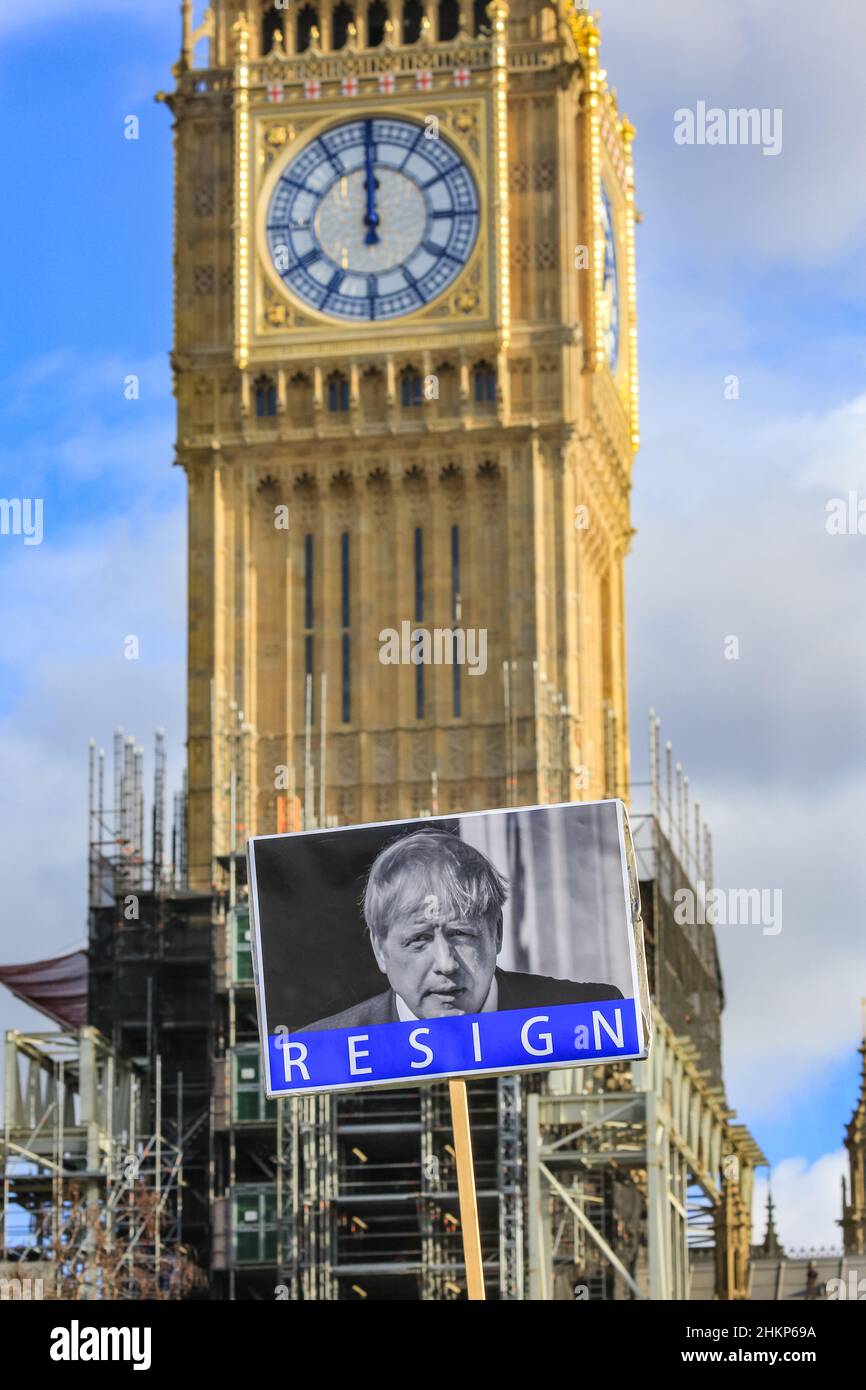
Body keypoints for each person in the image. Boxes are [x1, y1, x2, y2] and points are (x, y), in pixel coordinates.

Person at [302, 829, 622, 1030]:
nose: (445, 964)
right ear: (380, 950)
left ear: (496, 932)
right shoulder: (322, 1046)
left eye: (460, 934)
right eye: (419, 940)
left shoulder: (593, 1013)